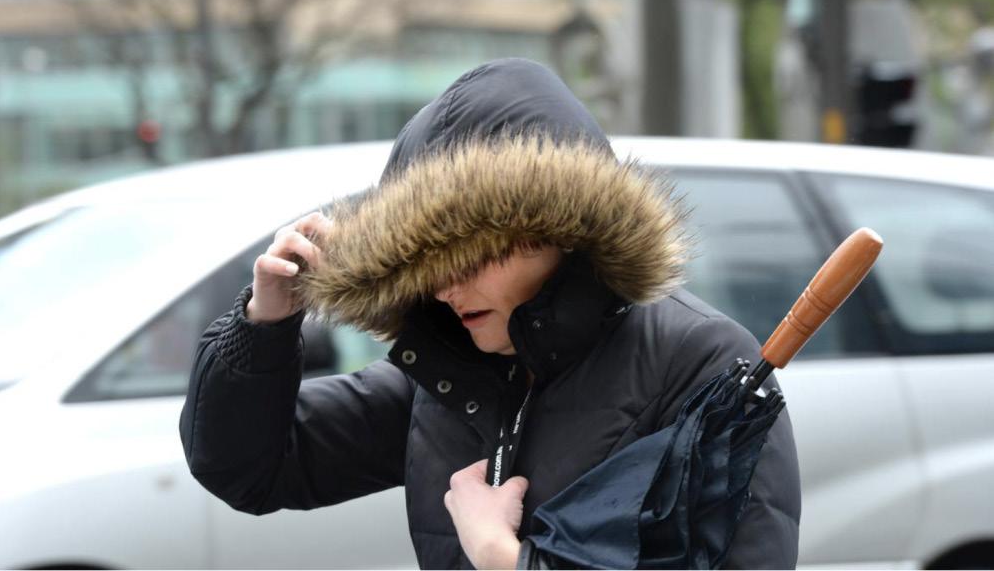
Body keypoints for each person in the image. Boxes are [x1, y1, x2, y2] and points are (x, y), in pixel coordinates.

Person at [180, 58, 800, 569]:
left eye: (475, 256)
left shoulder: (700, 361)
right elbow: (249, 468)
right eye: (425, 265)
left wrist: (504, 559)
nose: (446, 288)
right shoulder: (448, 375)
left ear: (561, 231)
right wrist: (264, 324)